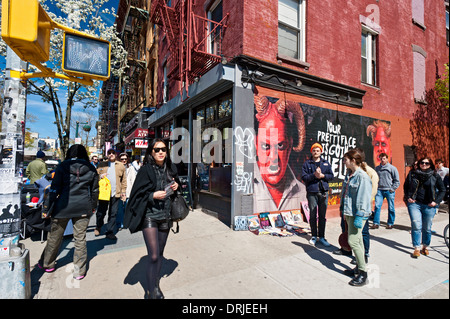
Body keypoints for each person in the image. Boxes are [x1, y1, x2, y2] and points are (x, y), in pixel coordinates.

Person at [123, 138, 179, 299]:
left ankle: (155, 284)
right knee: (153, 255)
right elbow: (136, 195)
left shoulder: (171, 168)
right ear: (151, 152)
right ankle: (151, 290)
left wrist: (175, 187)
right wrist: (152, 195)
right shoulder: (146, 170)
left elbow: (178, 189)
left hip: (166, 216)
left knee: (160, 254)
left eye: (163, 149)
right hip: (150, 215)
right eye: (157, 150)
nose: (160, 152)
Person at [37, 144, 99, 280]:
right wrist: (93, 206)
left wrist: (48, 207)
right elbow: (95, 191)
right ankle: (79, 271)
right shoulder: (91, 168)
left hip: (62, 207)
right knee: (80, 239)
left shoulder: (62, 166)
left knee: (54, 237)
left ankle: (48, 264)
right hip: (83, 207)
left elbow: (55, 188)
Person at [253, 95, 307, 212]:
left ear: (290, 146)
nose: (274, 158)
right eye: (265, 146)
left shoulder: (303, 193)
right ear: (256, 144)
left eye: (281, 145)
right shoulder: (245, 189)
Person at [340, 149, 372, 286]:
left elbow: (364, 198)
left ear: (353, 160)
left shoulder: (362, 177)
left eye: (346, 159)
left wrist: (360, 215)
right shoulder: (349, 174)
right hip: (349, 212)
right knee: (357, 242)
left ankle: (363, 274)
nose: (344, 161)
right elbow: (345, 194)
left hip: (357, 214)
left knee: (353, 241)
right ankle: (358, 269)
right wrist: (342, 208)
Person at [404, 157, 446, 258]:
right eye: (422, 163)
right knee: (416, 225)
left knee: (427, 227)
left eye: (426, 163)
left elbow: (442, 190)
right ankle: (417, 248)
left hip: (429, 205)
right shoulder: (413, 174)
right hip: (415, 203)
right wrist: (408, 197)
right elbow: (406, 186)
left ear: (430, 165)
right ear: (419, 164)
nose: (424, 165)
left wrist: (436, 202)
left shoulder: (435, 175)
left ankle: (425, 246)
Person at [301, 142, 334, 246]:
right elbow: (304, 178)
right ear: (311, 151)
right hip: (312, 193)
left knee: (322, 216)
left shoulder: (326, 163)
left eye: (318, 150)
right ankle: (314, 236)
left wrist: (323, 176)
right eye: (314, 150)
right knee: (312, 215)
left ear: (321, 151)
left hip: (323, 192)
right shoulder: (307, 164)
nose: (316, 152)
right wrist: (314, 175)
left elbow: (331, 176)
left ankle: (322, 237)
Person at [95, 149, 127, 240]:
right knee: (101, 212)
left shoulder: (120, 165)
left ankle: (109, 231)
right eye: (109, 153)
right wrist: (100, 176)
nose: (111, 154)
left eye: (113, 153)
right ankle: (98, 226)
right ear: (107, 154)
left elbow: (124, 180)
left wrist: (123, 192)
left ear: (116, 155)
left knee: (113, 213)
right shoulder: (102, 165)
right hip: (104, 193)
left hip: (115, 193)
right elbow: (94, 177)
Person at [371, 153, 400, 229]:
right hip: (379, 191)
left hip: (389, 191)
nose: (382, 160)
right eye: (381, 159)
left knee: (391, 207)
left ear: (387, 159)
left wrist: (392, 189)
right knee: (377, 206)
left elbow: (397, 181)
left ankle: (390, 223)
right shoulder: (377, 169)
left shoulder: (392, 168)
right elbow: (374, 179)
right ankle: (376, 223)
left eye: (384, 158)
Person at [116, 152, 137, 230]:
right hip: (119, 191)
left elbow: (133, 180)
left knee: (127, 208)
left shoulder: (130, 167)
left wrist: (133, 192)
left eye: (125, 159)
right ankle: (119, 224)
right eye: (122, 159)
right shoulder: (116, 167)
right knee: (119, 209)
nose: (124, 160)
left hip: (128, 191)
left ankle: (127, 222)